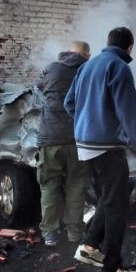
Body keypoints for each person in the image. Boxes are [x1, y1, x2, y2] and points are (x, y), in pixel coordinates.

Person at [64, 26, 136, 272]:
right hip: (106, 149)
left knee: (109, 197)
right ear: (130, 48)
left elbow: (68, 104)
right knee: (118, 208)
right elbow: (129, 115)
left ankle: (89, 246)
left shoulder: (88, 65)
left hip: (85, 147)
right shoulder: (120, 67)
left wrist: (87, 124)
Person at [37, 41, 92, 246]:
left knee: (49, 185)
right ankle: (75, 234)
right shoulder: (89, 70)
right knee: (76, 186)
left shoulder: (51, 68)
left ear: (68, 51)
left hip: (50, 137)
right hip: (79, 139)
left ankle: (50, 233)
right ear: (87, 55)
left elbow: (39, 89)